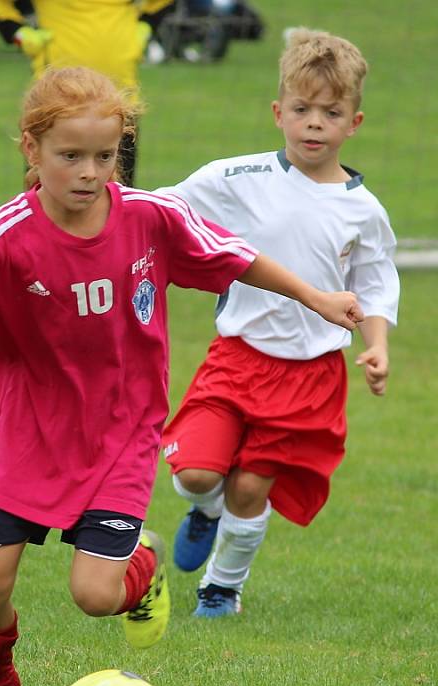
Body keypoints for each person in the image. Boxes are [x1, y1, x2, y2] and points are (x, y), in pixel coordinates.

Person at [0, 64, 363, 686]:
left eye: (105, 155)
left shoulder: (152, 216)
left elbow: (237, 258)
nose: (90, 172)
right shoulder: (5, 233)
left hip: (122, 432)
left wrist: (318, 297)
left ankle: (141, 570)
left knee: (95, 596)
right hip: (27, 434)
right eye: (70, 156)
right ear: (31, 150)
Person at [160, 27, 400, 618]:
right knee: (195, 473)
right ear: (278, 112)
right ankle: (204, 511)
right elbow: (165, 206)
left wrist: (376, 345)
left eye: (331, 112)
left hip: (308, 375)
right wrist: (99, 205)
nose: (315, 123)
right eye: (302, 109)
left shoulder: (362, 210)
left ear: (354, 123)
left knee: (250, 487)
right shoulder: (237, 178)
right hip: (236, 357)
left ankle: (222, 588)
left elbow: (375, 282)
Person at [0, 0, 173, 186]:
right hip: (54, 106)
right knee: (46, 201)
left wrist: (146, 25)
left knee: (119, 202)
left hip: (119, 104)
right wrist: (17, 32)